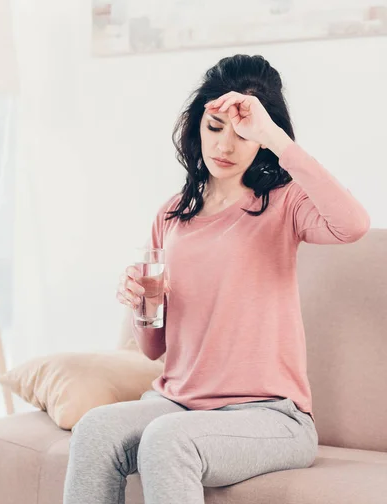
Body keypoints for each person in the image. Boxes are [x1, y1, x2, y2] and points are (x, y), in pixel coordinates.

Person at [63, 54, 370, 504]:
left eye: (242, 132)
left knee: (169, 440)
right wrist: (139, 305)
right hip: (175, 404)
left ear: (262, 137)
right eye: (215, 128)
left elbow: (353, 225)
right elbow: (154, 350)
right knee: (95, 429)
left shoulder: (284, 205)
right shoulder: (171, 215)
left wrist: (274, 136)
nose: (225, 146)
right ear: (196, 127)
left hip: (271, 416)